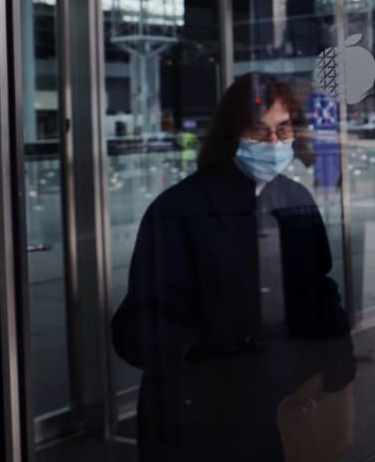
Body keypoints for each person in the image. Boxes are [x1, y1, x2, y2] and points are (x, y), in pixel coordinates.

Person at [112, 73, 355, 461]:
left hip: (282, 402)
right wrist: (202, 354)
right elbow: (135, 324)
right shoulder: (178, 209)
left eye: (283, 129)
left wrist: (338, 346)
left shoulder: (295, 199)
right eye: (259, 131)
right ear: (231, 134)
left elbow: (319, 284)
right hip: (202, 415)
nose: (274, 142)